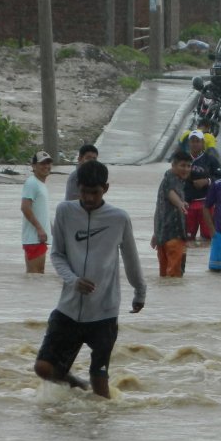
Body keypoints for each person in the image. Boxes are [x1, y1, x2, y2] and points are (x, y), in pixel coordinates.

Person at [33, 159, 146, 399]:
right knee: (43, 368)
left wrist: (140, 292)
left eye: (94, 192)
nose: (89, 198)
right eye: (84, 192)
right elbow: (57, 254)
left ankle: (102, 425)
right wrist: (73, 280)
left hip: (104, 312)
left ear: (105, 188)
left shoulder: (119, 218)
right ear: (78, 189)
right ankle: (75, 384)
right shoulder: (65, 211)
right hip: (68, 309)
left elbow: (131, 259)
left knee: (101, 385)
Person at [151, 151, 191, 277]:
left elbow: (160, 209)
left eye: (188, 166)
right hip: (175, 237)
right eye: (183, 165)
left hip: (162, 236)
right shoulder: (171, 179)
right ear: (173, 165)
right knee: (175, 276)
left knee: (164, 276)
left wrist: (156, 233)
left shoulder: (171, 180)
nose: (186, 169)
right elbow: (171, 193)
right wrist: (180, 203)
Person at [183, 130, 221, 244]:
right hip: (187, 204)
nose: (195, 144)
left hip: (207, 204)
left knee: (208, 238)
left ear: (202, 143)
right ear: (189, 143)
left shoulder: (211, 160)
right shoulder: (183, 159)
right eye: (192, 141)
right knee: (187, 238)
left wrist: (207, 181)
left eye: (198, 141)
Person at [20, 150, 54, 274]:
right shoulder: (32, 183)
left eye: (48, 163)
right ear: (34, 166)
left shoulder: (41, 184)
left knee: (39, 275)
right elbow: (25, 207)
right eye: (42, 163)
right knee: (34, 274)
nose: (46, 166)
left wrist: (52, 230)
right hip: (34, 239)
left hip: (40, 239)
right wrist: (39, 228)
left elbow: (42, 212)